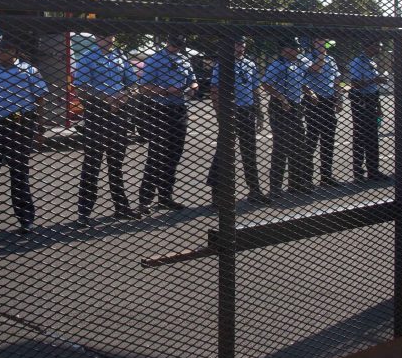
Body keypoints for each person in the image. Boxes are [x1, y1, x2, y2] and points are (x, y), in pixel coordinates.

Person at [0, 31, 47, 236]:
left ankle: (26, 220)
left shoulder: (29, 70)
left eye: (3, 50)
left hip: (20, 126)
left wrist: (40, 127)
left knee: (19, 174)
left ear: (14, 51)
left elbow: (40, 98)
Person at [75, 24, 139, 225]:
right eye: (103, 35)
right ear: (96, 37)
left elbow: (134, 84)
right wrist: (106, 99)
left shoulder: (120, 56)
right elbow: (81, 88)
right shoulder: (87, 57)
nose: (108, 38)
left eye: (110, 34)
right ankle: (84, 212)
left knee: (116, 163)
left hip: (119, 111)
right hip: (97, 112)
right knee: (92, 163)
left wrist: (122, 97)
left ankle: (121, 207)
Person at [138, 33, 198, 214]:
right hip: (160, 108)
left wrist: (191, 88)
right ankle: (145, 200)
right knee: (157, 154)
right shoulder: (154, 60)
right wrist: (166, 90)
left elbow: (193, 81)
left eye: (179, 45)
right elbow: (144, 87)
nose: (176, 48)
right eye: (174, 44)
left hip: (180, 109)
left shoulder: (184, 59)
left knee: (174, 154)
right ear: (167, 42)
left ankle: (165, 196)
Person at [207, 35, 266, 204]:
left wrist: (259, 112)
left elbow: (255, 89)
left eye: (243, 44)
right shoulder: (222, 64)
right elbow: (215, 90)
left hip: (247, 110)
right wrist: (220, 113)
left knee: (249, 151)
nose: (241, 47)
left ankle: (254, 190)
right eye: (238, 44)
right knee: (224, 151)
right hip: (230, 110)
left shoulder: (249, 64)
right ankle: (217, 193)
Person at [262, 35, 317, 198]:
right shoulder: (277, 65)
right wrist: (281, 98)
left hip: (296, 106)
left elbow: (301, 82)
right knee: (281, 147)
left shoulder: (298, 63)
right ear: (285, 49)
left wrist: (310, 92)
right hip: (280, 107)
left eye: (298, 47)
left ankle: (296, 183)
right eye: (294, 47)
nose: (298, 50)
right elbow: (266, 84)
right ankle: (275, 187)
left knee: (298, 145)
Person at [348, 37, 390, 183]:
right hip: (361, 100)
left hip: (371, 99)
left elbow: (375, 88)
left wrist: (379, 106)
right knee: (360, 136)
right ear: (368, 46)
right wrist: (375, 80)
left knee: (373, 137)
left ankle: (373, 170)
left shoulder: (371, 61)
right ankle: (358, 172)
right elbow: (355, 84)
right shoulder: (357, 62)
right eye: (377, 46)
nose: (379, 48)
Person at [303, 36, 343, 187]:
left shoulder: (331, 59)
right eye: (319, 40)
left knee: (328, 139)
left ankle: (326, 175)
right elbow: (316, 69)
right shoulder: (307, 58)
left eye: (325, 40)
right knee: (312, 138)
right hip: (313, 101)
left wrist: (339, 99)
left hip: (328, 100)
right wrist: (321, 54)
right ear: (314, 43)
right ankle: (306, 177)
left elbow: (337, 80)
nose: (323, 43)